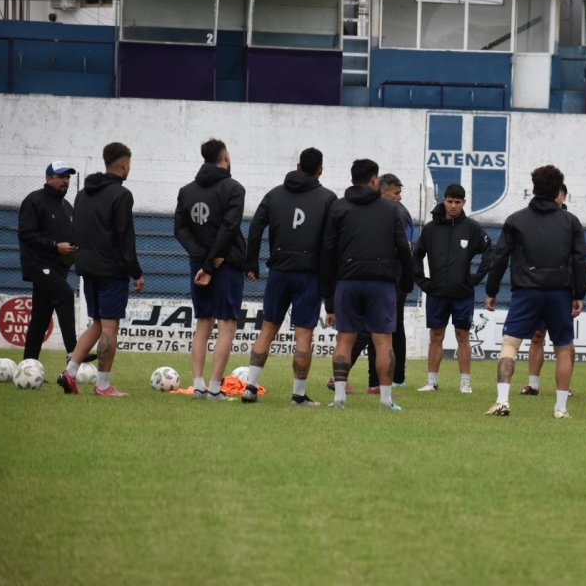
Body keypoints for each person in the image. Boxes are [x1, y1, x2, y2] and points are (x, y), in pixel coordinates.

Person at [484, 165, 586, 419]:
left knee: (510, 345)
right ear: (557, 191)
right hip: (559, 292)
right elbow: (581, 259)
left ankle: (502, 401)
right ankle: (561, 408)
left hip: (526, 291)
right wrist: (579, 294)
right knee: (563, 347)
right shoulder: (570, 221)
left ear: (533, 188)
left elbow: (500, 257)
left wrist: (491, 289)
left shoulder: (516, 220)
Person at [241, 148, 336, 405]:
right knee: (304, 335)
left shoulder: (274, 194)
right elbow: (330, 244)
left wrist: (252, 263)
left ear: (297, 166)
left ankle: (250, 387)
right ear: (320, 170)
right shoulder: (328, 199)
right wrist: (330, 283)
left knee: (267, 330)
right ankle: (298, 394)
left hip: (279, 271)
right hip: (309, 275)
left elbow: (256, 227)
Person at [321, 159, 413, 411]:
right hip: (381, 283)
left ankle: (339, 398)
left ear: (353, 178)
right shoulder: (391, 209)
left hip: (347, 281)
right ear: (374, 180)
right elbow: (403, 248)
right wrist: (406, 280)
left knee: (344, 339)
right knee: (383, 341)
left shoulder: (338, 208)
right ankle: (385, 399)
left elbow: (328, 250)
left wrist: (328, 292)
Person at [56, 142, 144, 397]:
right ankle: (103, 386)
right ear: (124, 164)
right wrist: (135, 272)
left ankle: (70, 373)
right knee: (109, 328)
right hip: (111, 270)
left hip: (87, 267)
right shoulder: (122, 195)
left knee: (97, 324)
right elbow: (124, 237)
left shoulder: (82, 194)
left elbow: (77, 230)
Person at [174, 139, 246, 402]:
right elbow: (229, 227)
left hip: (199, 264)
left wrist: (201, 258)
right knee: (227, 323)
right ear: (225, 156)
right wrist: (212, 261)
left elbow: (179, 228)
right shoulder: (234, 188)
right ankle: (215, 388)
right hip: (223, 264)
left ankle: (198, 384)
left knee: (203, 322)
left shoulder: (186, 190)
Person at [413, 183, 492, 394]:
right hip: (436, 292)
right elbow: (416, 255)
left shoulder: (472, 228)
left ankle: (465, 382)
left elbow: (490, 251)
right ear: (444, 201)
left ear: (464, 202)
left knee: (462, 335)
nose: (453, 206)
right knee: (436, 335)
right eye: (450, 201)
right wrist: (422, 281)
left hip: (462, 293)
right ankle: (432, 381)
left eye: (458, 202)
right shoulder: (430, 229)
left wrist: (475, 278)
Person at [341, 174, 414, 394]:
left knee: (374, 331)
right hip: (388, 280)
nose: (400, 198)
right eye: (396, 193)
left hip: (387, 279)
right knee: (382, 331)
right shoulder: (394, 213)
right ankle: (379, 382)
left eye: (400, 193)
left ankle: (374, 381)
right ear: (383, 191)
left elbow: (404, 248)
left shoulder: (394, 212)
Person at [18, 161, 94, 363]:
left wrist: (76, 249)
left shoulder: (67, 207)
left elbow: (73, 237)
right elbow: (26, 234)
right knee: (66, 294)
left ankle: (28, 365)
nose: (65, 181)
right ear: (48, 178)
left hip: (59, 268)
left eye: (68, 177)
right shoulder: (34, 200)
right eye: (61, 176)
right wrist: (55, 246)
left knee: (41, 319)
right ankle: (73, 353)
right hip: (37, 264)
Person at [521, 183, 575, 396]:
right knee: (536, 335)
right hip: (537, 286)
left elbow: (577, 258)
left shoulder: (570, 224)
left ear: (563, 198)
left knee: (565, 340)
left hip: (562, 290)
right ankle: (533, 384)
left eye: (557, 195)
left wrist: (576, 291)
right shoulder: (534, 222)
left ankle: (565, 387)